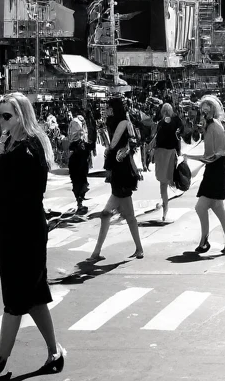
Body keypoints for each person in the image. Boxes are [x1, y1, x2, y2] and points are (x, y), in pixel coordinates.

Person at [0, 94, 65, 381]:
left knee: (15, 297)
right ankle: (55, 351)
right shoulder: (9, 143)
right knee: (34, 297)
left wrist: (4, 159)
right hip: (9, 226)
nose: (0, 121)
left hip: (26, 229)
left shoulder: (31, 145)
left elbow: (31, 189)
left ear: (21, 116)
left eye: (6, 116)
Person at [85, 97, 144, 265]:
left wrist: (114, 153)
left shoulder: (123, 122)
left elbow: (119, 144)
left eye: (108, 107)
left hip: (122, 171)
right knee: (128, 216)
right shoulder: (114, 122)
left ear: (114, 108)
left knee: (111, 214)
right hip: (117, 171)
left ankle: (97, 252)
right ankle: (138, 248)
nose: (106, 110)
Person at [190, 95, 225, 254]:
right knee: (217, 207)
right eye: (202, 112)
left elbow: (212, 155)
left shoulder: (215, 125)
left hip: (216, 167)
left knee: (201, 207)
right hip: (216, 167)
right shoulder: (212, 125)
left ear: (212, 112)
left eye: (206, 112)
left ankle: (204, 241)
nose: (203, 115)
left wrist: (190, 158)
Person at [153, 101, 183, 222]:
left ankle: (165, 206)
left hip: (162, 153)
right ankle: (165, 206)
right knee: (167, 180)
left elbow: (158, 137)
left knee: (163, 182)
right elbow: (180, 132)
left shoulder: (162, 123)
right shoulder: (175, 121)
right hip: (170, 153)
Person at [67, 107, 91, 214]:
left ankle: (79, 201)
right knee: (80, 178)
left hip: (75, 155)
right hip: (79, 155)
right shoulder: (78, 123)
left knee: (76, 179)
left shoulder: (73, 123)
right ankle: (80, 201)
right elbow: (81, 134)